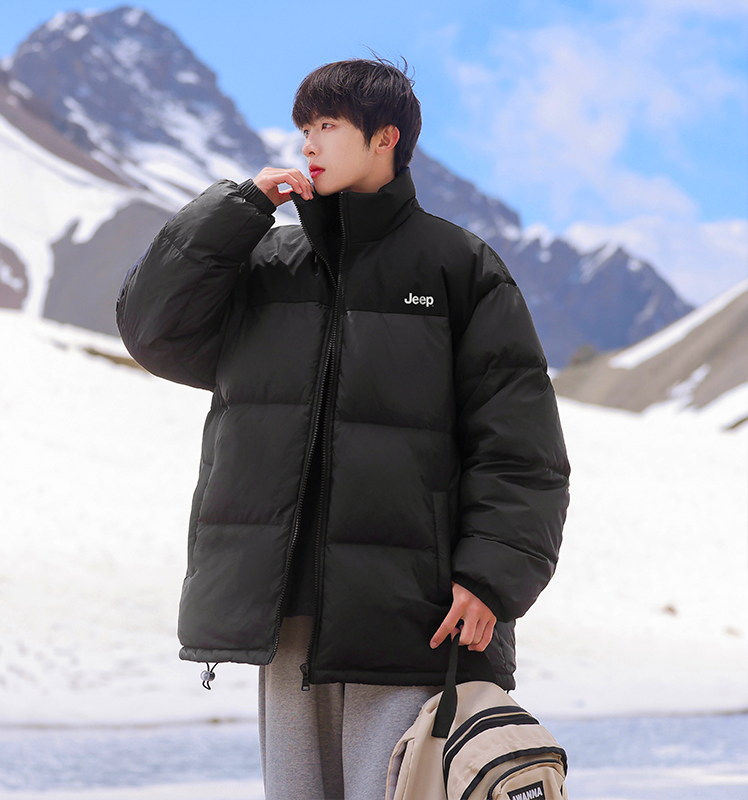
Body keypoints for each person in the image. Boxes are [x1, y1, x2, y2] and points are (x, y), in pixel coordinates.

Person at [116, 58, 570, 800]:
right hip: (286, 615)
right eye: (304, 128)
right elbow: (152, 330)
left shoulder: (460, 268)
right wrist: (237, 210)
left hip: (412, 618)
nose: (309, 144)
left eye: (327, 125)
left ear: (386, 137)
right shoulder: (267, 264)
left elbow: (521, 448)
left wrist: (492, 579)